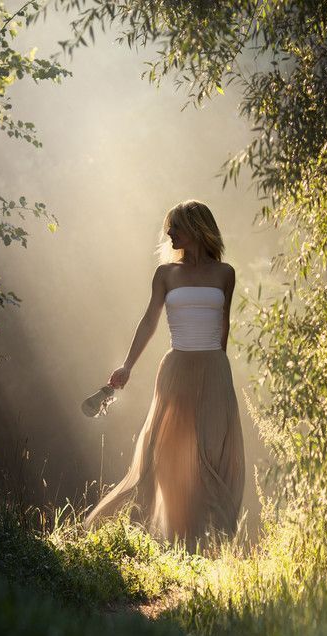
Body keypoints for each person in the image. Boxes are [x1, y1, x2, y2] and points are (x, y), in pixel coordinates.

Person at [83, 199, 245, 555]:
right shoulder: (165, 275)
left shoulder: (225, 273)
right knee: (166, 451)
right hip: (176, 370)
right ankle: (166, 538)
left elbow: (224, 324)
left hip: (215, 370)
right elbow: (149, 321)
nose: (169, 233)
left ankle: (206, 542)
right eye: (169, 228)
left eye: (176, 227)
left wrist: (216, 363)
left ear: (196, 229)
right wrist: (127, 365)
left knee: (210, 452)